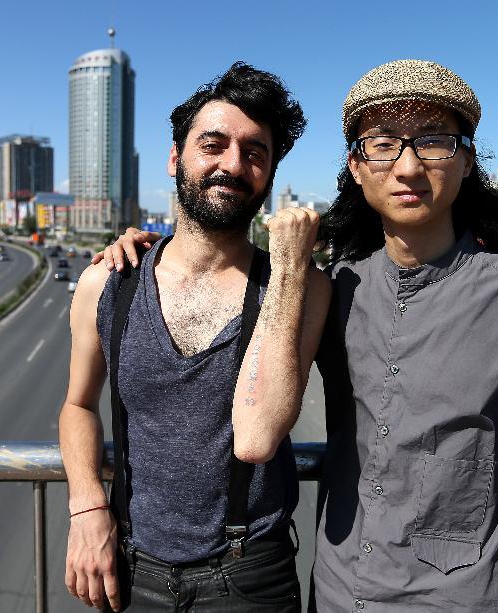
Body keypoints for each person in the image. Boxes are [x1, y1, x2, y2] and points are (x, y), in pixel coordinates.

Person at [96, 60, 498, 612]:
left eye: (434, 142)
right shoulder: (337, 291)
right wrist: (159, 247)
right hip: (337, 592)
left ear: (465, 162)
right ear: (356, 168)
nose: (408, 167)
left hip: (461, 599)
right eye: (383, 144)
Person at [60, 61, 331, 612]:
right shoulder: (107, 282)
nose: (233, 164)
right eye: (213, 144)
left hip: (250, 575)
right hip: (131, 568)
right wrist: (87, 507)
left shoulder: (301, 289)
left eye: (256, 153)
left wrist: (287, 272)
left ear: (270, 175)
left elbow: (265, 429)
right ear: (175, 158)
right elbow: (77, 404)